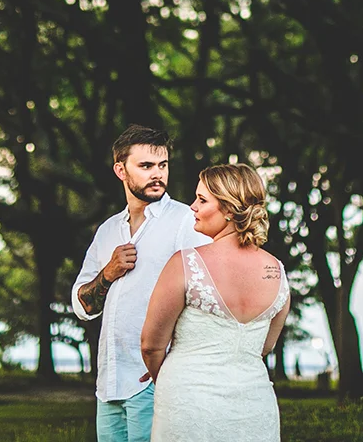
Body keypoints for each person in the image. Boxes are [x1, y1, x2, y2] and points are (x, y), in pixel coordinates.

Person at [71, 125, 210, 442]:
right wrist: (107, 273)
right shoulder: (107, 231)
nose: (157, 174)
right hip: (110, 382)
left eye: (162, 165)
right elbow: (82, 306)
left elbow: (207, 294)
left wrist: (172, 365)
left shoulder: (185, 222)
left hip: (156, 380)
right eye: (146, 166)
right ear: (121, 170)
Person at [141, 163, 290, 442]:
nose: (192, 207)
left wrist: (169, 379)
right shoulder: (276, 271)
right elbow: (264, 347)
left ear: (231, 210)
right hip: (254, 406)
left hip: (189, 403)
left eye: (202, 200)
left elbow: (151, 345)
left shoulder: (185, 263)